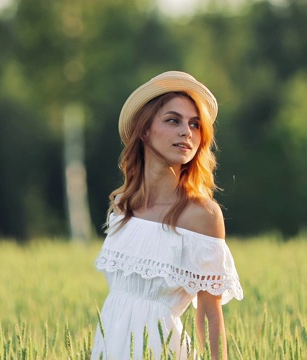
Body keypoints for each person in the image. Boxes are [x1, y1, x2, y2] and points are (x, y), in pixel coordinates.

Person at [91, 71, 243, 360]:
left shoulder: (201, 214)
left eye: (194, 124)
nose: (187, 131)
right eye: (173, 120)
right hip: (110, 347)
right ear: (144, 130)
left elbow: (210, 313)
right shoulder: (123, 207)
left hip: (162, 351)